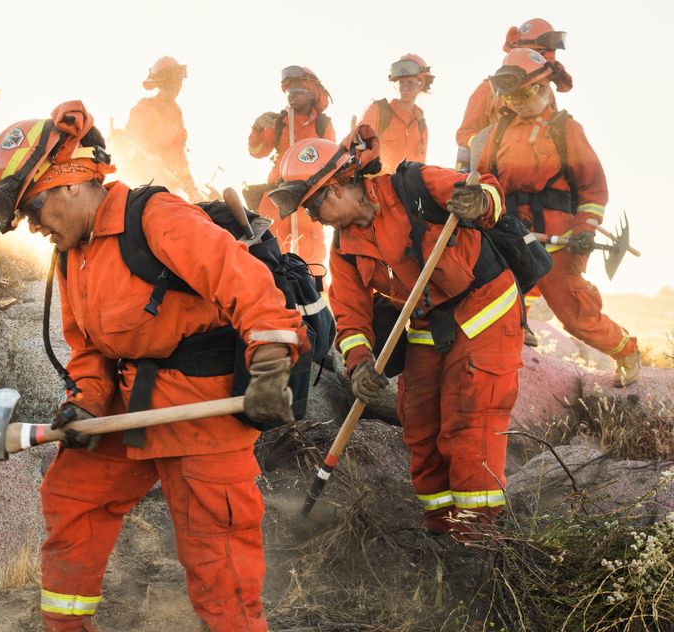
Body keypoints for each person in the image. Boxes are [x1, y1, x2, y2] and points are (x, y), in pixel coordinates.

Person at [0, 101, 307, 631]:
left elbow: (246, 286)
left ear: (68, 182)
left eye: (32, 209)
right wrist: (83, 404)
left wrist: (269, 368)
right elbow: (86, 348)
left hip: (204, 411)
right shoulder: (72, 254)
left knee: (216, 559)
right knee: (72, 496)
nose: (32, 227)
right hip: (131, 406)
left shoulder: (156, 217)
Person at [269, 125, 522, 538]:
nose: (311, 217)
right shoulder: (344, 249)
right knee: (420, 425)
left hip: (486, 311)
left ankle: (478, 536)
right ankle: (440, 530)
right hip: (427, 321)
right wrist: (360, 364)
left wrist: (479, 200)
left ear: (334, 189)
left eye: (311, 206)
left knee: (468, 420)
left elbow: (487, 191)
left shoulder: (412, 185)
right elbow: (350, 318)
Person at [477, 48, 640, 386]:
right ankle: (515, 352)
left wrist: (585, 228)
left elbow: (594, 190)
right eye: (511, 96)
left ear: (543, 87)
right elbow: (484, 180)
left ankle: (625, 349)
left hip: (557, 243)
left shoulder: (565, 129)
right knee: (493, 296)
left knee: (574, 313)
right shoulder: (501, 130)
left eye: (524, 94)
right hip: (510, 235)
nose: (518, 102)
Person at [455, 18, 573, 170]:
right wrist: (491, 144)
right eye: (541, 54)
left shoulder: (546, 94)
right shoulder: (488, 89)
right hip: (495, 174)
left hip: (537, 177)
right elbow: (464, 135)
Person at [247, 65, 335, 266]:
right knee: (268, 248)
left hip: (310, 199)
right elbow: (256, 151)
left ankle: (313, 292)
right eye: (288, 91)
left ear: (312, 94)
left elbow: (332, 162)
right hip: (276, 198)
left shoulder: (323, 124)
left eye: (298, 91)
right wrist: (258, 127)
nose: (292, 96)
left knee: (312, 256)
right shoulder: (278, 123)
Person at [111, 57, 198, 199]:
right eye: (171, 83)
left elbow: (179, 156)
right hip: (142, 186)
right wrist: (148, 161)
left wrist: (192, 189)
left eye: (178, 82)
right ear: (160, 84)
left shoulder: (176, 113)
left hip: (168, 187)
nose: (176, 87)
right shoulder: (145, 107)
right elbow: (126, 148)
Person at [360, 54, 432, 175]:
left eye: (410, 83)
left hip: (406, 189)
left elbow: (421, 165)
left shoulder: (421, 123)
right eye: (401, 83)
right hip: (377, 187)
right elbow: (359, 148)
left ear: (421, 84)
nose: (405, 88)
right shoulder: (379, 110)